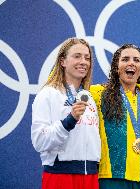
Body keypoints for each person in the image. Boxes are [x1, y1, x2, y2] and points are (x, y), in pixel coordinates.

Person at [31, 38, 101, 189]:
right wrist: (69, 121)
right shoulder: (48, 94)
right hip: (61, 176)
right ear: (62, 61)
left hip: (90, 177)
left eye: (87, 58)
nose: (83, 62)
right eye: (77, 56)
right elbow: (39, 141)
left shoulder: (88, 97)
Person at [90, 44, 140, 189]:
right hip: (111, 177)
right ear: (116, 66)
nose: (131, 63)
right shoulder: (97, 93)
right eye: (125, 59)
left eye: (136, 60)